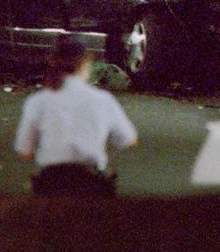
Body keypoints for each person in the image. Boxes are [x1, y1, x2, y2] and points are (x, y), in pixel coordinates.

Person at [15, 35, 138, 197]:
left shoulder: (38, 101)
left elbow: (24, 150)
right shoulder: (103, 100)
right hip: (90, 181)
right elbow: (129, 140)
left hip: (51, 182)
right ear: (85, 63)